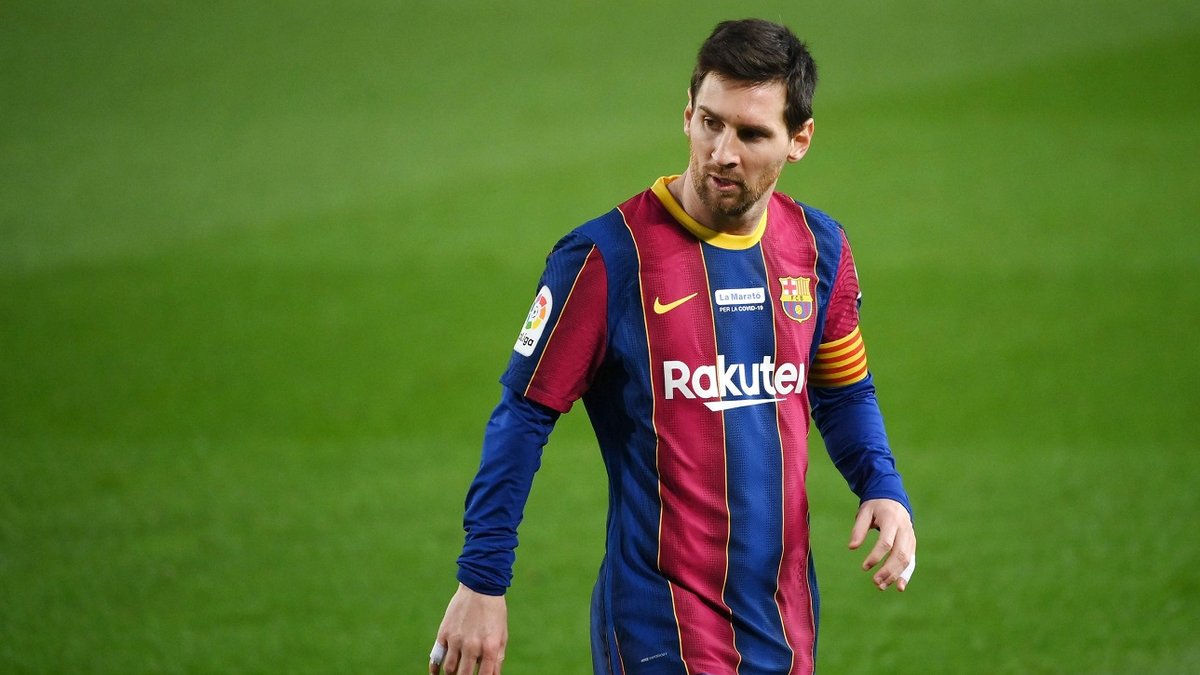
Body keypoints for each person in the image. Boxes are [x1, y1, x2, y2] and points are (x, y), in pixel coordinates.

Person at [430, 18, 916, 675]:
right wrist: (482, 581)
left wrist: (881, 485)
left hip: (784, 619)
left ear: (799, 140)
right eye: (710, 123)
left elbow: (844, 389)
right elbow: (524, 414)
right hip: (657, 627)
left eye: (751, 134)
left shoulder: (817, 248)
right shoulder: (607, 258)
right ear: (688, 113)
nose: (722, 152)